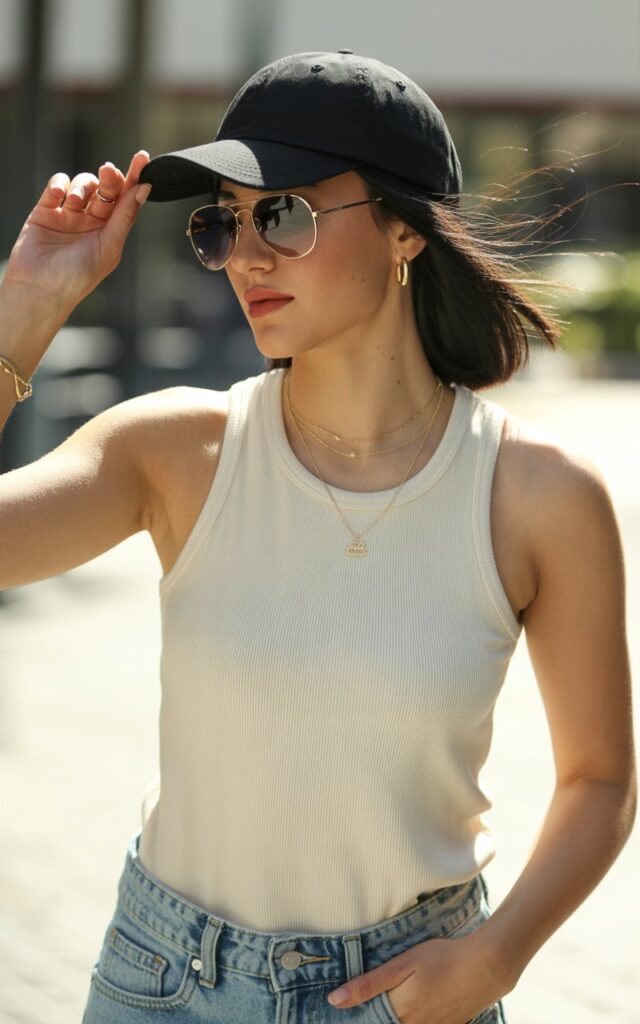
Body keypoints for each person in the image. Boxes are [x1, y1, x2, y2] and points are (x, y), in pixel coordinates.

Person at [0, 50, 635, 1024]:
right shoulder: (176, 450)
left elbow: (599, 779)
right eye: (224, 223)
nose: (247, 254)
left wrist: (496, 958)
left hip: (412, 991)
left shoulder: (538, 495)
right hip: (163, 984)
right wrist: (27, 307)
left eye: (284, 212)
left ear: (402, 231)